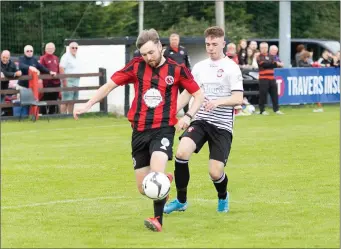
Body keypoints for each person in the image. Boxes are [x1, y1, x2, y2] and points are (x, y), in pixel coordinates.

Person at [73, 29, 204, 232]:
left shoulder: (177, 69)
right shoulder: (136, 66)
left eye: (151, 52)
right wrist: (87, 104)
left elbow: (198, 94)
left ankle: (157, 220)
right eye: (144, 54)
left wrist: (187, 116)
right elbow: (109, 86)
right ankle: (165, 182)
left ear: (160, 46)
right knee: (144, 188)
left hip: (163, 129)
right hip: (139, 131)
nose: (148, 58)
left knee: (156, 172)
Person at [163, 26, 243, 214]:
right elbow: (188, 93)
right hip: (200, 120)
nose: (210, 48)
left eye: (214, 44)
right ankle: (181, 201)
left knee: (215, 172)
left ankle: (223, 196)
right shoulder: (199, 67)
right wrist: (171, 112)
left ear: (223, 43)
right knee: (181, 153)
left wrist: (218, 102)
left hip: (222, 125)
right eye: (207, 44)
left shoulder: (232, 68)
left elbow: (238, 98)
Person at [163, 33, 191, 114]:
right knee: (171, 97)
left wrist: (189, 74)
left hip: (183, 77)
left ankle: (186, 114)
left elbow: (188, 63)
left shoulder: (183, 50)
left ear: (178, 40)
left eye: (176, 39)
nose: (174, 41)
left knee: (185, 96)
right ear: (170, 40)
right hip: (171, 78)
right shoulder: (166, 51)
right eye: (172, 39)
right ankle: (170, 114)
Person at [257, 42, 284, 115]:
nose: (264, 49)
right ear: (260, 48)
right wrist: (274, 63)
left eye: (265, 47)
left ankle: (276, 109)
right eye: (262, 48)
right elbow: (264, 64)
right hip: (263, 78)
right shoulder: (259, 56)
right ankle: (262, 110)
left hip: (272, 78)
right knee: (263, 94)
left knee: (274, 94)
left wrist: (273, 64)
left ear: (267, 48)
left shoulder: (271, 56)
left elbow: (272, 64)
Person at [59, 42, 81, 114]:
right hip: (68, 79)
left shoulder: (77, 56)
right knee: (66, 99)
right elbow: (61, 68)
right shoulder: (66, 56)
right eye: (73, 47)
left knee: (73, 100)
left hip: (76, 80)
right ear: (69, 48)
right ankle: (63, 115)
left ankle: (70, 115)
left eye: (76, 48)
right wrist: (64, 81)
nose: (74, 49)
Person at [40, 42, 61, 114]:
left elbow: (58, 70)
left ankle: (52, 115)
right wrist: (50, 73)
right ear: (45, 49)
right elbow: (41, 69)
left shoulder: (56, 58)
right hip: (47, 83)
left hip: (56, 83)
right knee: (45, 99)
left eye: (51, 48)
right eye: (48, 48)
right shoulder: (42, 58)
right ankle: (44, 115)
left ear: (54, 49)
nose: (50, 49)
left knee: (54, 100)